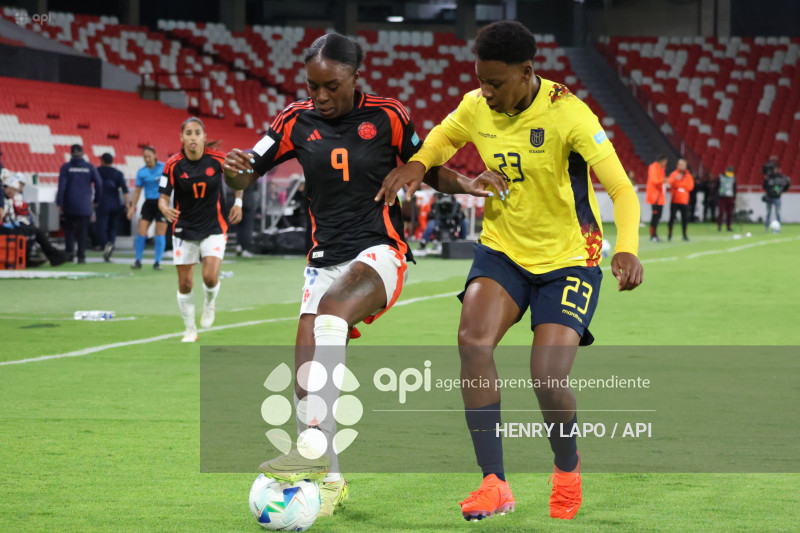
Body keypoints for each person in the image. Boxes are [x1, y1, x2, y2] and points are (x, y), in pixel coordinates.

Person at [377, 20, 643, 522]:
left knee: (545, 377)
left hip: (570, 260)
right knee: (472, 343)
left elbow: (622, 190)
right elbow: (440, 140)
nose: (485, 90)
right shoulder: (477, 105)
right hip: (503, 250)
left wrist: (626, 248)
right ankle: (494, 482)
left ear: (526, 73)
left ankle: (567, 468)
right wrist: (416, 166)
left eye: (495, 82)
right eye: (480, 79)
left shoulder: (569, 114)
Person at [221, 32, 484, 518]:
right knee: (305, 381)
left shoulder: (389, 115)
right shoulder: (293, 120)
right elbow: (246, 169)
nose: (320, 96)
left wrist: (468, 183)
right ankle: (333, 479)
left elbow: (425, 166)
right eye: (312, 86)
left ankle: (311, 450)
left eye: (331, 85)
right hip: (323, 260)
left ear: (355, 77)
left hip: (379, 252)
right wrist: (233, 172)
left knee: (331, 314)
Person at [158, 118, 242, 342]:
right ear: (181, 138)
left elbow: (240, 177)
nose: (193, 137)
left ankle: (209, 303)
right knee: (185, 283)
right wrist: (165, 209)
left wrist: (238, 203)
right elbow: (163, 199)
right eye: (188, 133)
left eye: (197, 133)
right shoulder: (172, 164)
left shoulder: (217, 159)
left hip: (214, 227)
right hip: (184, 228)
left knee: (210, 277)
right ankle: (190, 329)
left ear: (204, 137)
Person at [2, 175, 67, 266]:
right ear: (6, 187)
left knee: (33, 231)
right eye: (11, 189)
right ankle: (24, 258)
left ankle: (30, 257)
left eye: (15, 190)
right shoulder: (4, 199)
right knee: (29, 231)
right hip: (6, 226)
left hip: (13, 224)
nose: (13, 192)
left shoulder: (11, 199)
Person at [56, 144, 102, 264]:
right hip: (85, 205)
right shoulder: (89, 167)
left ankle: (69, 254)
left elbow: (62, 186)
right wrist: (96, 200)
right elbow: (99, 184)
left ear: (71, 154)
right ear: (82, 154)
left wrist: (59, 202)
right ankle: (81, 256)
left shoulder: (66, 167)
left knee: (69, 231)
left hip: (69, 204)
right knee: (82, 232)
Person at [128, 146, 167, 270]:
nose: (147, 159)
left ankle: (157, 262)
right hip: (148, 204)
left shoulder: (164, 168)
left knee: (160, 234)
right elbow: (137, 192)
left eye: (149, 156)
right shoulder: (141, 172)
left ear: (155, 156)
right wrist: (132, 207)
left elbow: (172, 186)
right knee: (141, 232)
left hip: (162, 204)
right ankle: (138, 260)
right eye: (145, 157)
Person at [95, 153, 130, 261]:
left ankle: (105, 245)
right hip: (115, 203)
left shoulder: (97, 171)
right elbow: (125, 190)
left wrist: (95, 201)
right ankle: (111, 245)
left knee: (101, 226)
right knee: (113, 227)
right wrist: (128, 204)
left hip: (102, 203)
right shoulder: (118, 173)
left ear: (102, 161)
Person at [667, 158, 693, 241]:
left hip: (684, 201)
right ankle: (669, 235)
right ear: (677, 165)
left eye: (684, 165)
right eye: (681, 165)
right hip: (674, 200)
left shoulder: (688, 176)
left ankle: (684, 235)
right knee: (672, 218)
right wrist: (676, 180)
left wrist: (679, 185)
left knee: (685, 219)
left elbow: (690, 187)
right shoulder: (674, 174)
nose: (682, 167)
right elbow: (669, 183)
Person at [645, 155, 667, 241]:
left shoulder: (661, 169)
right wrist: (663, 180)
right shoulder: (653, 168)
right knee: (655, 216)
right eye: (665, 162)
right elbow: (654, 181)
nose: (665, 164)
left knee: (658, 216)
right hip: (655, 198)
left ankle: (654, 234)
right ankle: (652, 235)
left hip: (659, 197)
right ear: (661, 161)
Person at [762, 164, 790, 230]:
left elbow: (784, 187)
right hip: (769, 197)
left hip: (777, 197)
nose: (775, 170)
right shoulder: (769, 178)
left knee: (778, 212)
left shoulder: (780, 178)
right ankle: (766, 226)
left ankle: (778, 227)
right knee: (768, 213)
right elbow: (765, 187)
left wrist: (787, 185)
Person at [717, 166, 736, 231]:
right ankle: (719, 226)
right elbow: (717, 186)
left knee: (730, 213)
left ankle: (728, 226)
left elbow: (734, 188)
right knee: (721, 212)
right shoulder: (721, 177)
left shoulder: (733, 178)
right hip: (722, 197)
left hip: (730, 198)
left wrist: (734, 198)